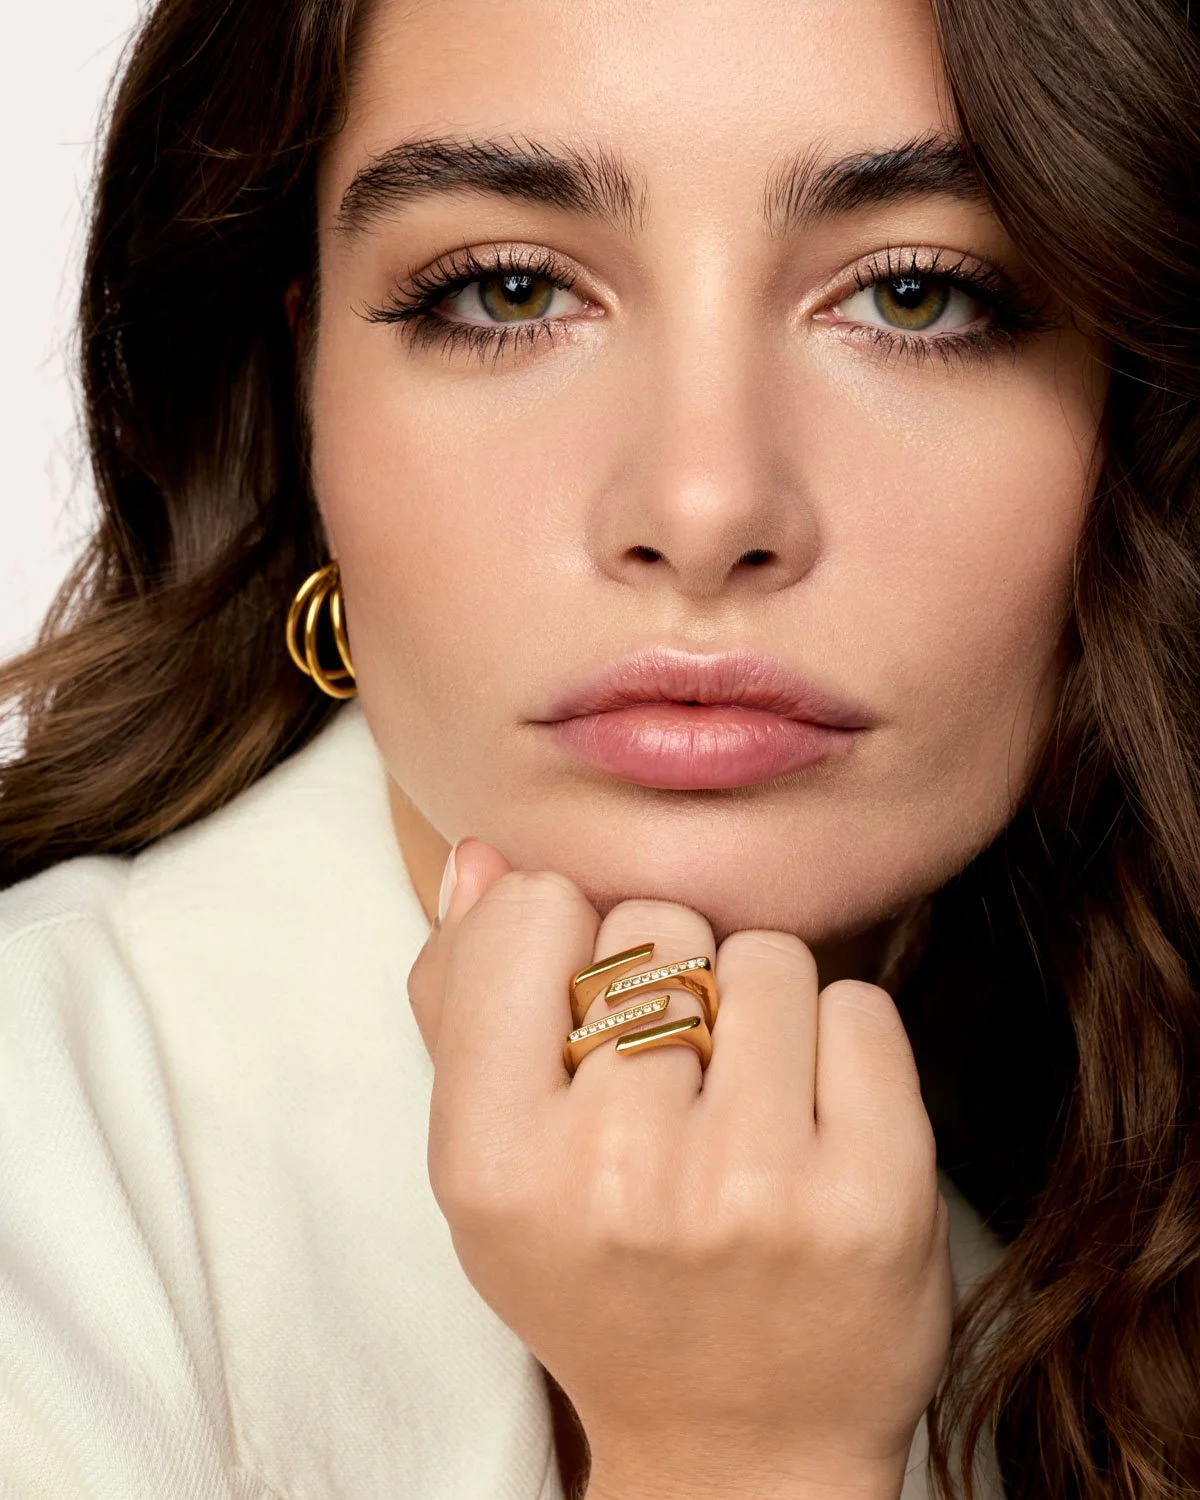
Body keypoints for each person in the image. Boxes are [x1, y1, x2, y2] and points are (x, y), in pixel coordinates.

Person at [1, 0, 1197, 1496]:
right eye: (504, 291)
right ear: (306, 404)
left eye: (915, 297)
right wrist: (746, 1454)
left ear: (1142, 421)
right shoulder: (37, 1167)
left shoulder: (1108, 1211)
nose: (702, 508)